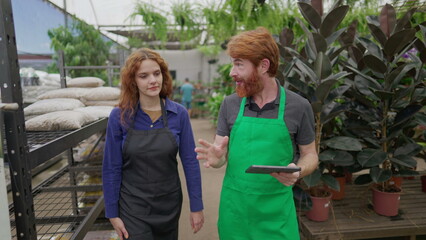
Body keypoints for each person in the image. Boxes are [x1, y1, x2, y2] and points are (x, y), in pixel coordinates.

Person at [195, 27, 318, 239]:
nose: (232, 72)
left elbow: (310, 155)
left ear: (263, 66)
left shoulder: (298, 106)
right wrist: (217, 159)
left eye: (239, 64)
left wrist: (298, 170)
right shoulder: (230, 104)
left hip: (276, 216)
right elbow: (220, 153)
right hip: (235, 213)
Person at [102, 48, 204, 240]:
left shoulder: (178, 114)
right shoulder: (120, 116)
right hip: (133, 205)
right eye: (144, 76)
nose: (153, 80)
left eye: (157, 74)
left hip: (169, 204)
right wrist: (112, 213)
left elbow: (190, 162)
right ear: (133, 81)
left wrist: (196, 206)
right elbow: (111, 167)